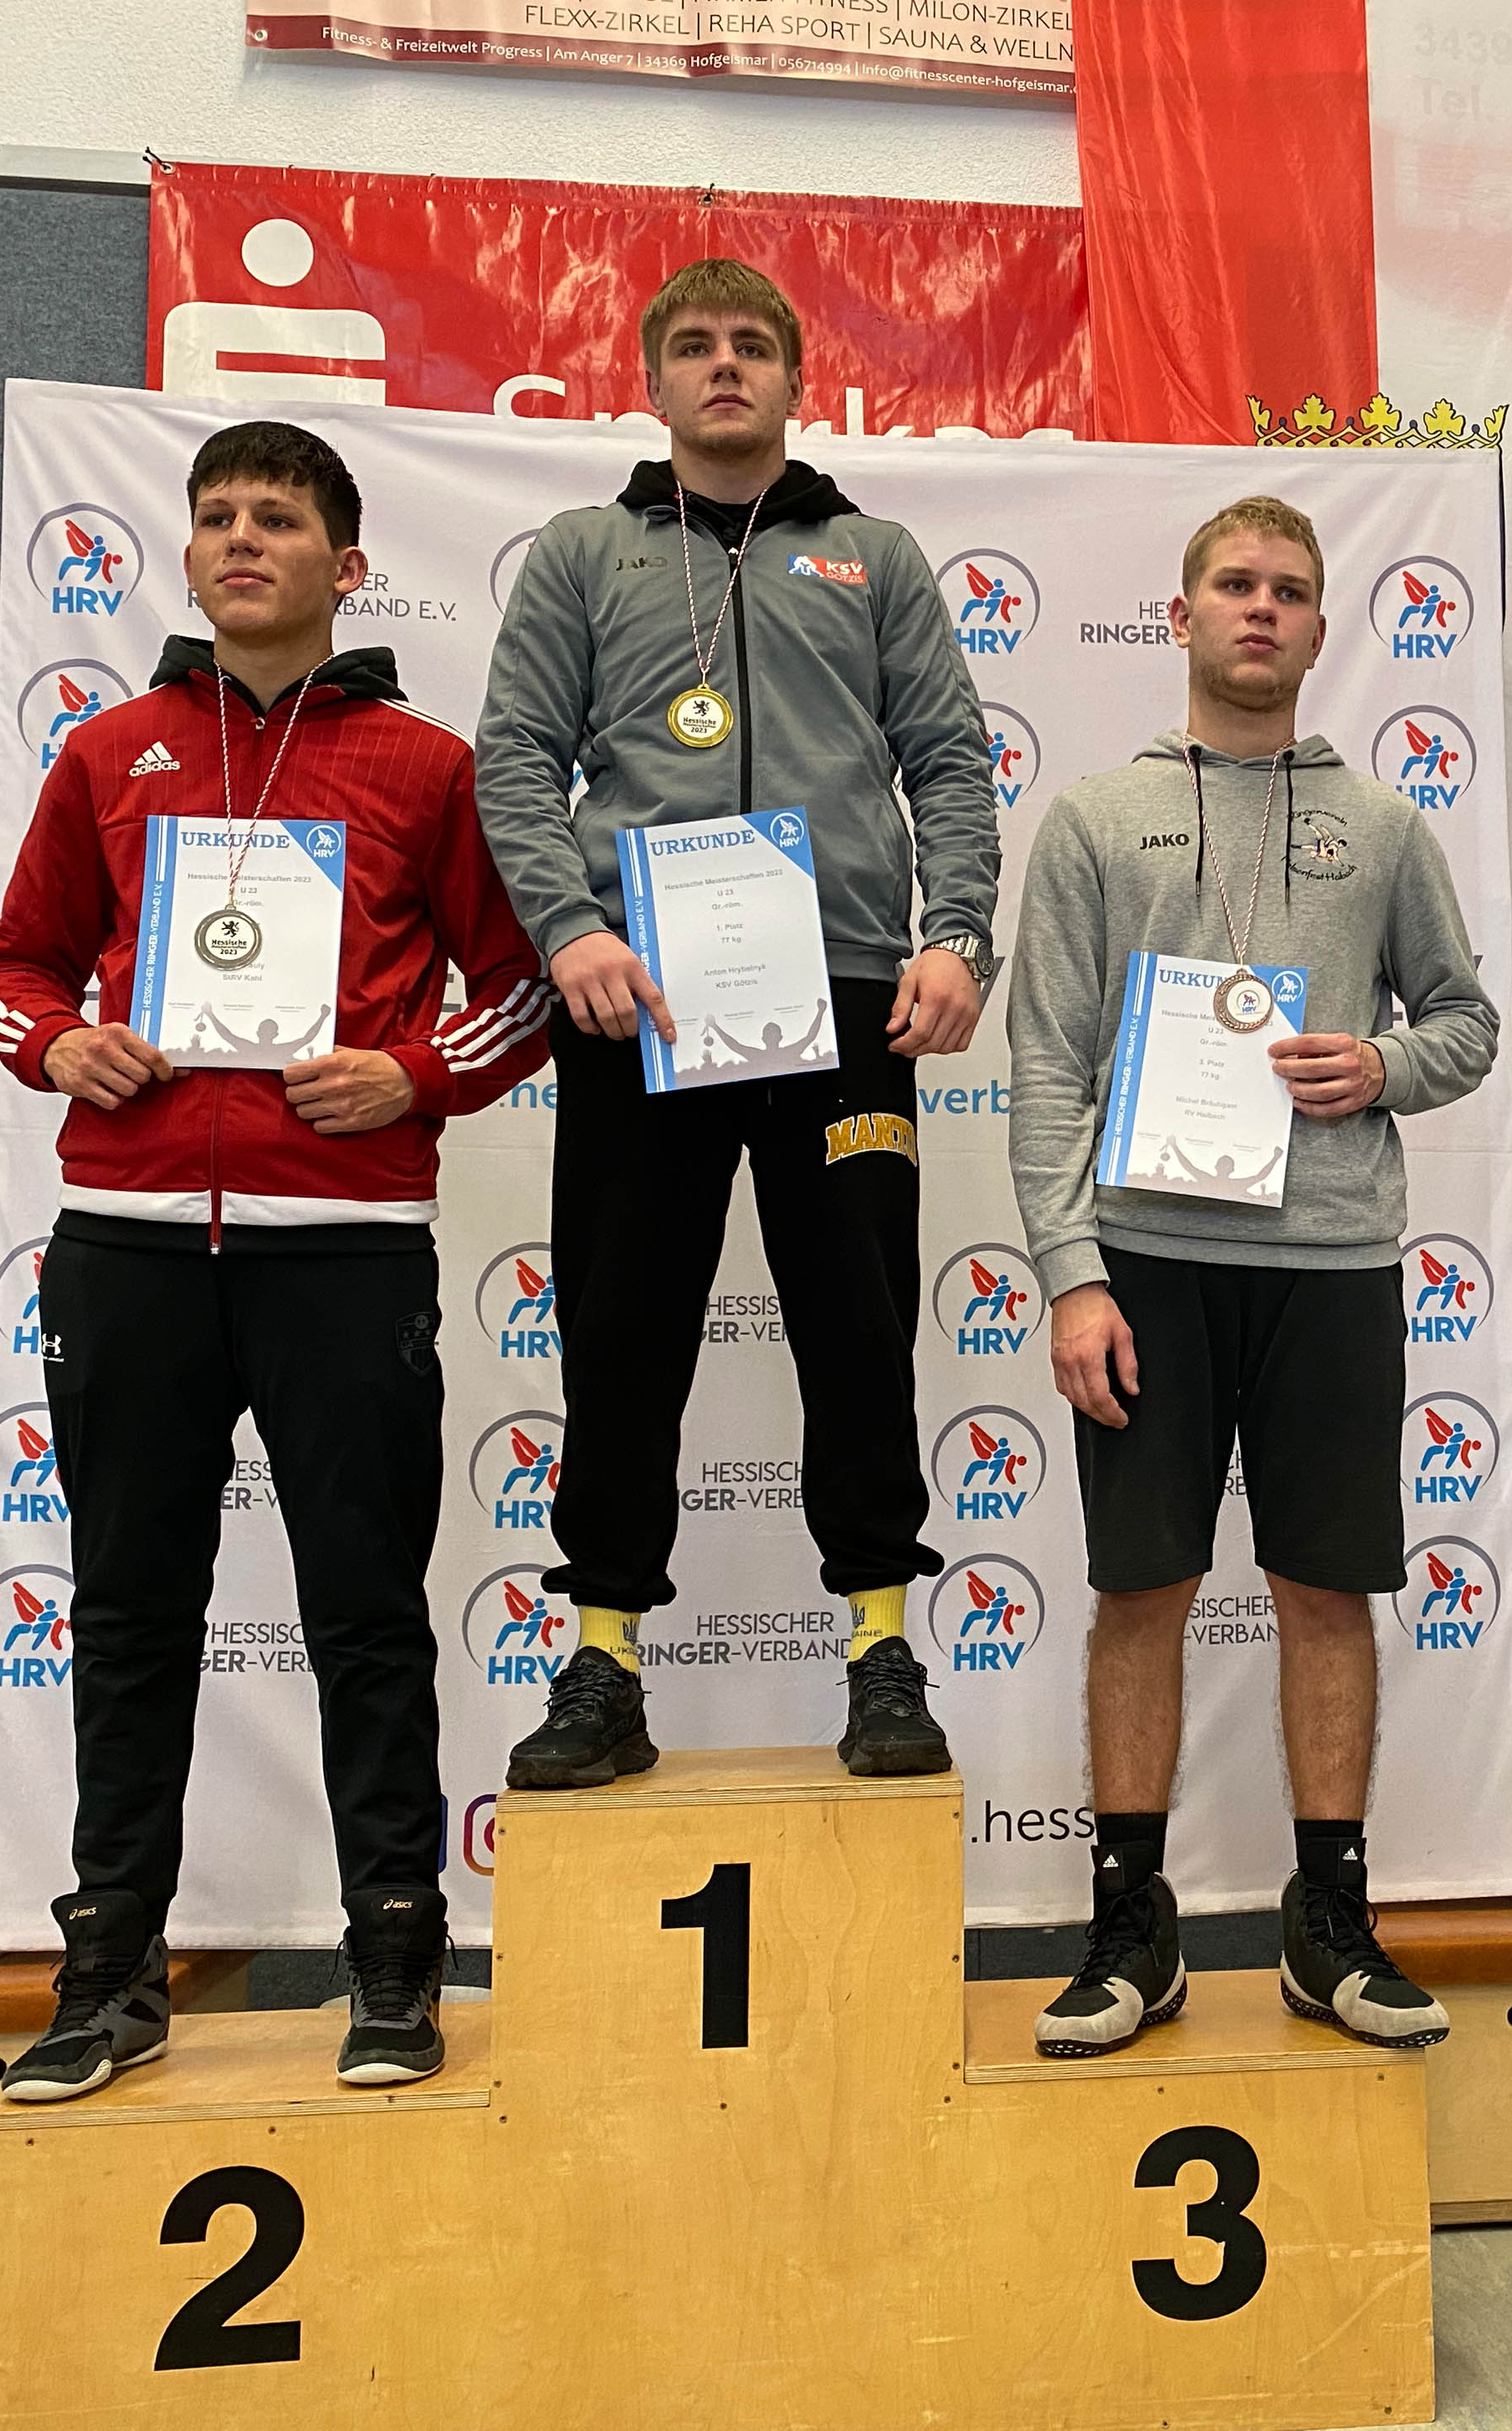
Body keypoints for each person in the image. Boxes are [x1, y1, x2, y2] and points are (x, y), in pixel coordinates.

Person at [0, 421, 550, 2101]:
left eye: (278, 519)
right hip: (131, 1242)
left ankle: (395, 1956)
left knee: (364, 1613)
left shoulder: (425, 767)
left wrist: (414, 1076)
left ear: (344, 565)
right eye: (216, 515)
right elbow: (13, 964)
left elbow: (518, 987)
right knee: (129, 1613)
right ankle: (108, 1974)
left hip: (344, 1248)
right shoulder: (112, 751)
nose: (241, 539)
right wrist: (59, 1045)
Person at [475, 258, 997, 1787]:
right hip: (641, 996)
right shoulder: (585, 553)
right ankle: (604, 1660)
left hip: (847, 996)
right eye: (695, 346)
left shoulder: (874, 555)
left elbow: (949, 763)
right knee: (621, 1331)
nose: (725, 366)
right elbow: (516, 758)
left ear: (794, 378)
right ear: (650, 381)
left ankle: (883, 1651)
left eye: (752, 345)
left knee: (860, 1325)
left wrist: (956, 936)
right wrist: (570, 928)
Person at [1004, 495, 1500, 2057]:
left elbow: (1466, 1024)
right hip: (1144, 1264)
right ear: (1183, 615)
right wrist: (1072, 1275)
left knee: (1326, 1590)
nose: (1262, 608)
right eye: (1235, 584)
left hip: (1332, 1263)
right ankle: (1129, 1926)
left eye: (1290, 589)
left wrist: (1384, 1065)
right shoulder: (1094, 820)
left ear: (1321, 627)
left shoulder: (1385, 827)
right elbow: (1046, 1064)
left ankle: (1328, 1922)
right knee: (1140, 1589)